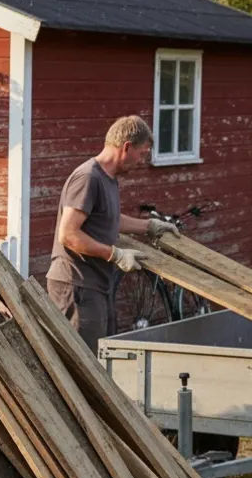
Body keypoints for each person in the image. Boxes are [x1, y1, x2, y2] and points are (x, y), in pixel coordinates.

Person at [46, 115, 179, 353]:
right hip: (77, 286)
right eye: (142, 153)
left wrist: (149, 226)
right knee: (83, 363)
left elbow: (110, 221)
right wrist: (115, 255)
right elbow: (68, 234)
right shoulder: (88, 178)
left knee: (102, 356)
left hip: (97, 284)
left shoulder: (108, 179)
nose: (142, 160)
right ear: (126, 147)